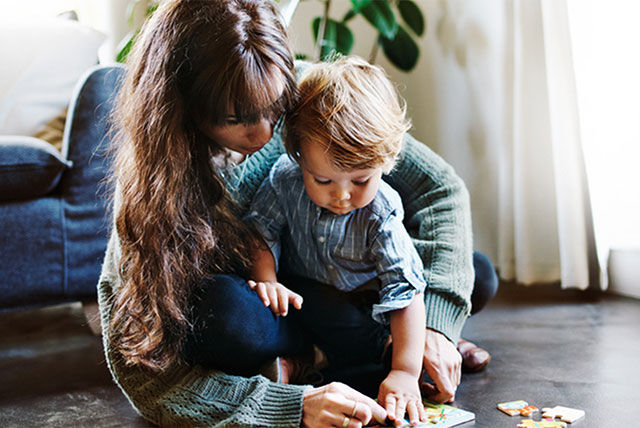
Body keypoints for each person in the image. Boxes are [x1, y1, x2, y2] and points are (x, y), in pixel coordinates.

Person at [98, 0, 496, 426]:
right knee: (222, 315)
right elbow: (142, 373)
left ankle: (374, 347)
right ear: (186, 107)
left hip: (350, 274)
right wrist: (292, 407)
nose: (267, 132)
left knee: (474, 271)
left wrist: (434, 329)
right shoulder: (154, 180)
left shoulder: (308, 93)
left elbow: (441, 190)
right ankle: (324, 354)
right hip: (275, 301)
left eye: (275, 108)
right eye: (239, 118)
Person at [244, 55, 428, 425]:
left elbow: (405, 294)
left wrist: (405, 373)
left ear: (385, 161)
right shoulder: (285, 179)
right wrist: (268, 280)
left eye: (360, 181)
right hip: (307, 298)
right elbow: (259, 231)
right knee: (287, 307)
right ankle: (320, 359)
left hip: (365, 307)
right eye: (323, 181)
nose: (342, 196)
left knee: (473, 279)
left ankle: (415, 353)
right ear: (298, 156)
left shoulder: (381, 211)